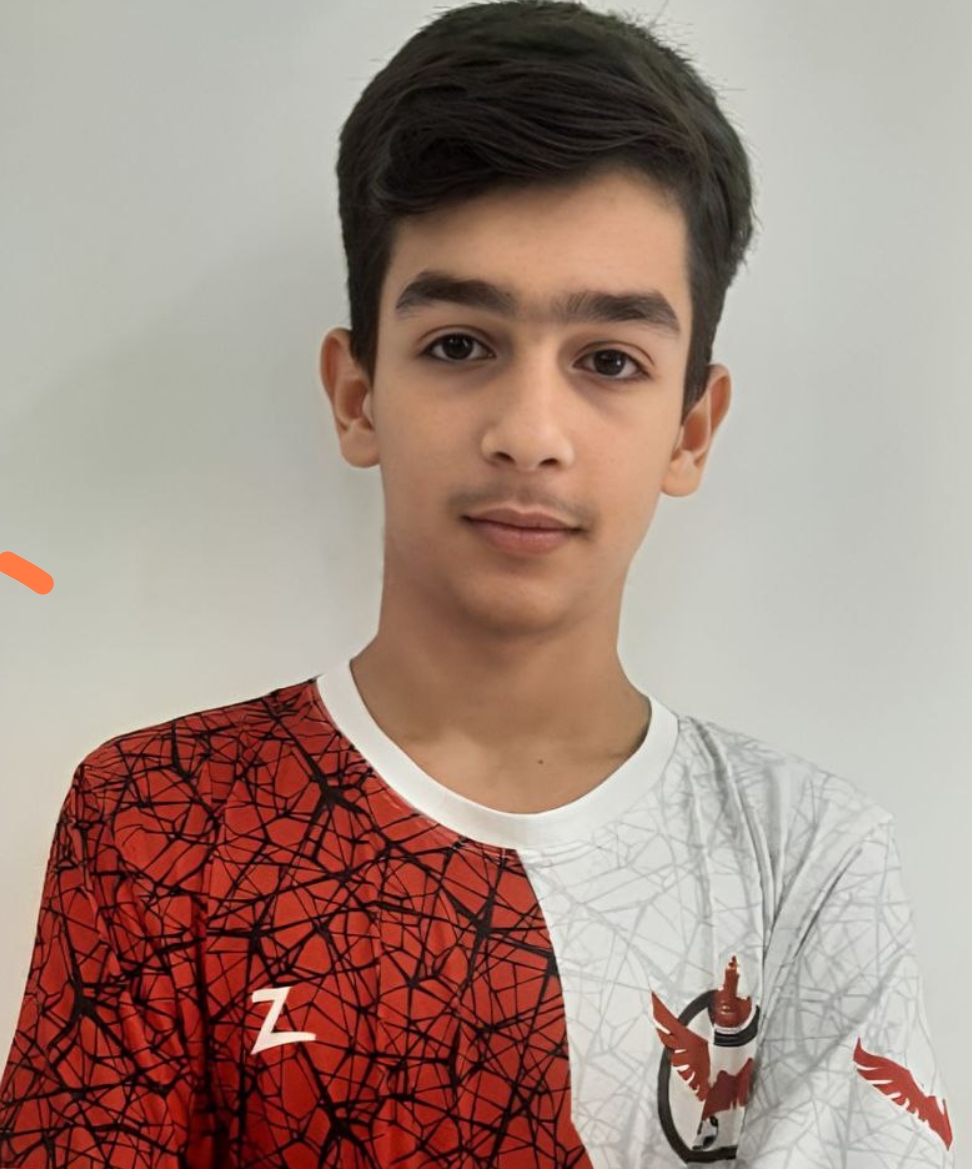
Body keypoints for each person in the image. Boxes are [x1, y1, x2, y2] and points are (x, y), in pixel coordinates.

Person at [0, 1, 955, 1165]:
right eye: (460, 343)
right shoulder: (156, 820)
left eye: (610, 360)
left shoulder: (807, 856)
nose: (529, 432)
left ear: (691, 428)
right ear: (357, 394)